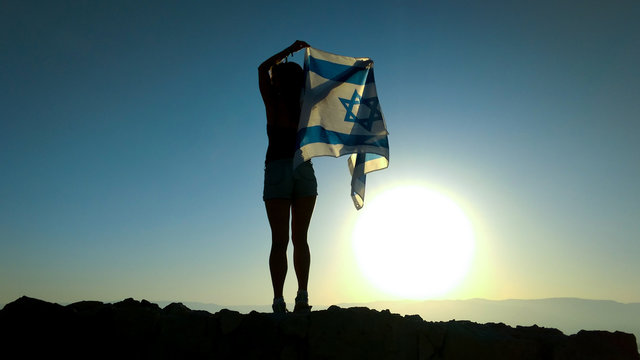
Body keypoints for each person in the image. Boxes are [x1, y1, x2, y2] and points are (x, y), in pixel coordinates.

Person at [259, 40, 317, 314]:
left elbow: (262, 68)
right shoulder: (306, 104)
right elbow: (334, 86)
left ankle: (279, 301)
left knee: (279, 241)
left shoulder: (274, 101)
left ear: (278, 80)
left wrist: (287, 49)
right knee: (301, 239)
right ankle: (302, 297)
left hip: (279, 169)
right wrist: (358, 70)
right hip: (303, 167)